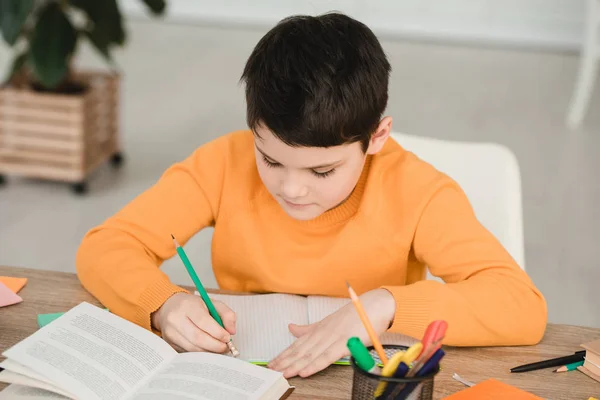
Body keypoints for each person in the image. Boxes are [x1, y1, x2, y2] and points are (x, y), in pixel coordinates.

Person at [76, 12, 547, 379]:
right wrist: (164, 303)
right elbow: (105, 246)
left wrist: (383, 307)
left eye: (322, 170)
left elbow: (521, 306)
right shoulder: (223, 162)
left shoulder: (418, 190)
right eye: (271, 159)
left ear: (377, 137)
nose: (291, 188)